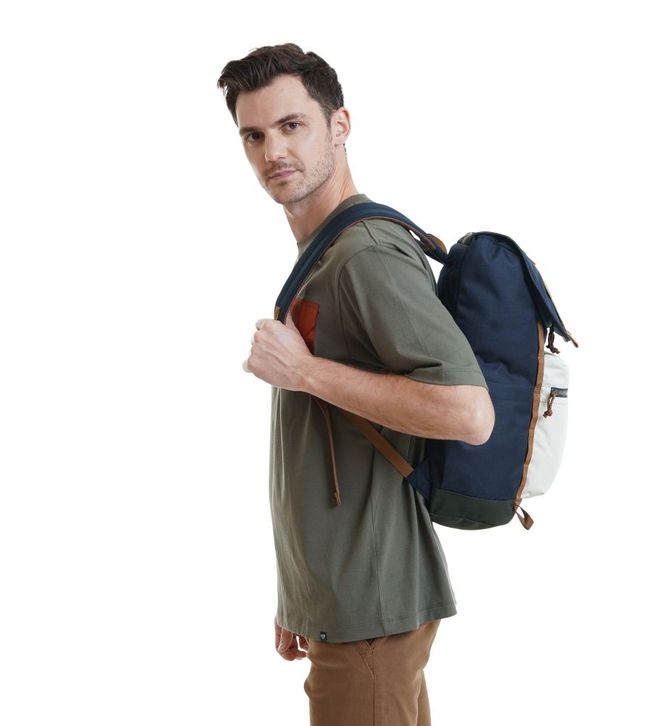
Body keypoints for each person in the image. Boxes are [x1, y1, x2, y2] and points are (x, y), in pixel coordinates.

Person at [217, 43, 494, 726]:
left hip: (369, 606)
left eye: (292, 125)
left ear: (339, 125)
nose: (272, 151)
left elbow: (470, 413)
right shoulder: (325, 253)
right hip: (348, 602)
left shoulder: (365, 254)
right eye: (253, 135)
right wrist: (302, 594)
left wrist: (303, 371)